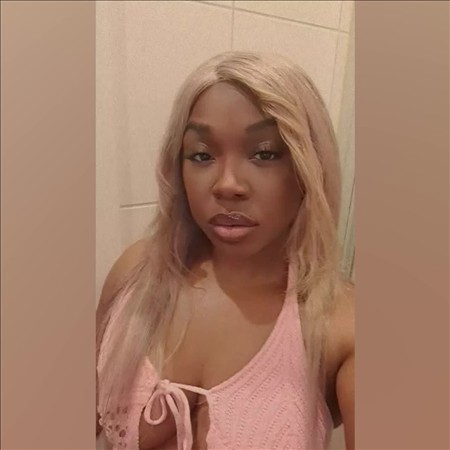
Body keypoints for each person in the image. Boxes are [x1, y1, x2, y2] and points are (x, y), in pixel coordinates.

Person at [96, 51, 354, 450]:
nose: (227, 184)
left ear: (310, 167)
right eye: (201, 155)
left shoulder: (341, 324)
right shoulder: (137, 273)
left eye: (264, 153)